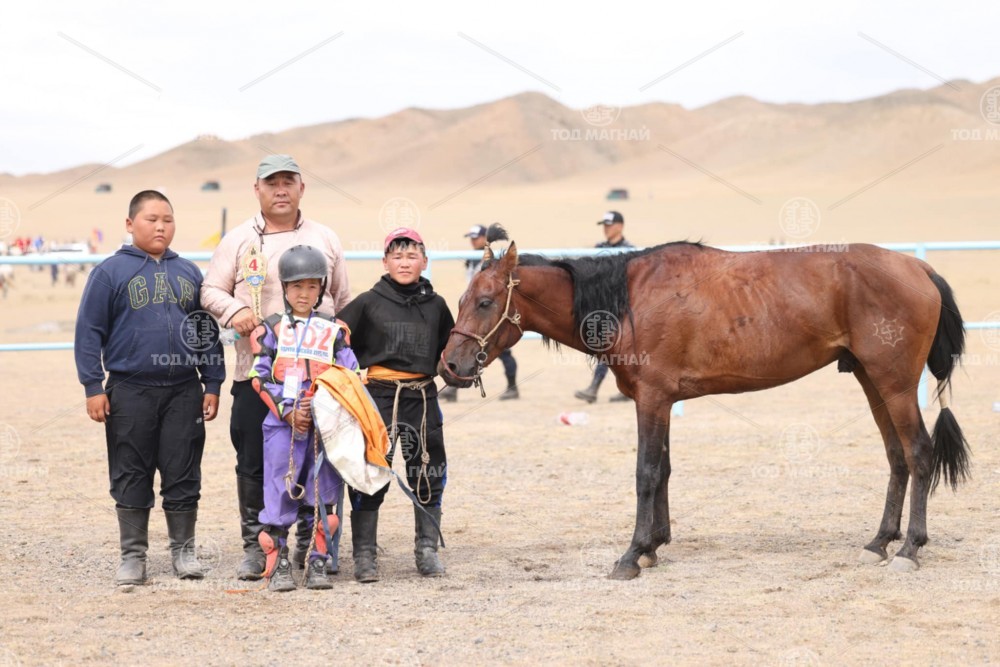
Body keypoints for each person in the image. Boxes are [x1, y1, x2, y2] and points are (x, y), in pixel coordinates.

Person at [201, 155, 351, 581]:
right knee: (255, 461)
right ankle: (257, 545)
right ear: (257, 190)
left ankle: (314, 544)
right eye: (272, 183)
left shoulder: (325, 238)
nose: (280, 189)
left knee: (320, 459)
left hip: (318, 379)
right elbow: (209, 290)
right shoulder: (238, 240)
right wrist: (234, 312)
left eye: (288, 181)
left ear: (302, 187)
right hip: (259, 373)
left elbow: (341, 301)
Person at [75, 190, 225, 586]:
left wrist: (212, 380)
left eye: (168, 220)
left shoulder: (189, 272)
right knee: (131, 469)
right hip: (130, 388)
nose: (161, 227)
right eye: (151, 219)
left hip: (183, 390)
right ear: (130, 224)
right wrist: (93, 385)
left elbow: (204, 331)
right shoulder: (109, 273)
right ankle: (133, 555)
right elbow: (89, 332)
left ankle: (183, 551)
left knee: (183, 469)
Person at [336, 228, 455, 582]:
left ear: (425, 261)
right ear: (385, 262)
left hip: (422, 397)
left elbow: (450, 350)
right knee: (370, 471)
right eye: (397, 256)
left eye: (412, 256)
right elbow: (338, 338)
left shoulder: (437, 305)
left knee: (428, 469)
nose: (405, 263)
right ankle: (364, 555)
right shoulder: (367, 302)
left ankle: (427, 550)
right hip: (379, 396)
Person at [248, 246, 358, 591]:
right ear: (284, 287)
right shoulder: (270, 329)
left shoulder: (335, 330)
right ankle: (278, 563)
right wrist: (288, 411)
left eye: (312, 286)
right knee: (280, 490)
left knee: (324, 490)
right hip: (284, 426)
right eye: (297, 286)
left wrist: (326, 407)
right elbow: (259, 376)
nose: (304, 294)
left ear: (322, 289)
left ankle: (317, 560)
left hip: (325, 427)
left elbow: (350, 375)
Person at [438, 224, 519, 403]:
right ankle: (452, 389)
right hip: (475, 307)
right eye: (471, 238)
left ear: (484, 238)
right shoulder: (472, 258)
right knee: (465, 347)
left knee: (501, 351)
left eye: (476, 238)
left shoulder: (490, 261)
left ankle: (512, 387)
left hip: (486, 310)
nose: (473, 241)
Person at [574, 211, 634, 404]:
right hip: (602, 304)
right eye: (604, 225)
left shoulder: (629, 250)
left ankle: (595, 388)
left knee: (608, 346)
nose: (606, 229)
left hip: (621, 305)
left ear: (620, 226)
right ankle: (626, 388)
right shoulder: (598, 249)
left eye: (609, 225)